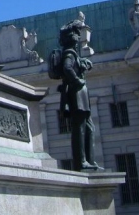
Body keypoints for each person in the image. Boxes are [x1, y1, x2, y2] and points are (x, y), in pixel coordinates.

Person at [58, 20, 103, 171]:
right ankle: (81, 162)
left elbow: (72, 66)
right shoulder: (69, 53)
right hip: (76, 93)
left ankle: (89, 161)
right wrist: (77, 81)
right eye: (77, 34)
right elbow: (67, 67)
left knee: (89, 128)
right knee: (80, 128)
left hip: (81, 94)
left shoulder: (74, 54)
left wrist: (83, 63)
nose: (79, 37)